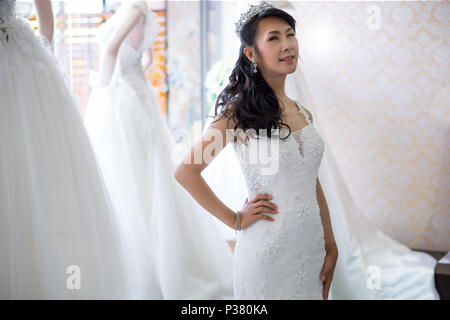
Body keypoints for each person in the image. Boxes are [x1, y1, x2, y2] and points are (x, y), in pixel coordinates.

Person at [175, 2, 338, 300]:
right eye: (274, 38)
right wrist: (234, 220)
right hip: (267, 252)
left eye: (290, 35)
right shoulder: (238, 113)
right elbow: (186, 171)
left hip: (310, 245)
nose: (287, 45)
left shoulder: (302, 112)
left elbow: (310, 182)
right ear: (251, 53)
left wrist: (330, 244)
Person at [83, 1, 234, 299]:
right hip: (135, 94)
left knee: (128, 173)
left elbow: (111, 49)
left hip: (121, 97)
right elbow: (148, 59)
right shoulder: (144, 14)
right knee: (140, 171)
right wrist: (132, 74)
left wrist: (103, 85)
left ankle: (144, 264)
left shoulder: (134, 11)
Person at [0, 0, 130, 299]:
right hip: (21, 55)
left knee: (29, 158)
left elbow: (45, 17)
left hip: (18, 58)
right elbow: (46, 20)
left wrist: (34, 61)